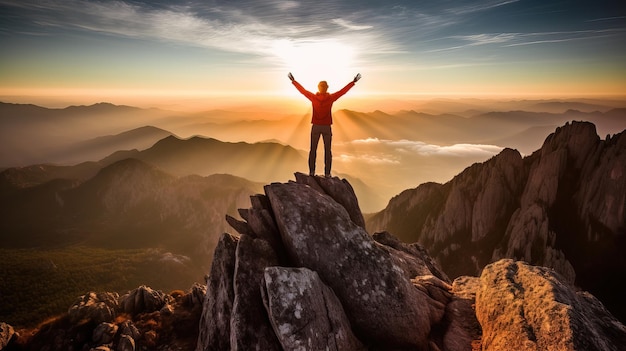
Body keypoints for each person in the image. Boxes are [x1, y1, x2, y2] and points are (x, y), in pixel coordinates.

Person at [288, 72, 361, 177]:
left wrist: (294, 81)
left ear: (318, 88)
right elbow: (342, 92)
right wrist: (353, 82)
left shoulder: (313, 97)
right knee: (328, 150)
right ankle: (327, 173)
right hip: (327, 127)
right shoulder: (330, 98)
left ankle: (312, 172)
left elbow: (303, 91)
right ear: (327, 88)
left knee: (313, 149)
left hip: (316, 127)